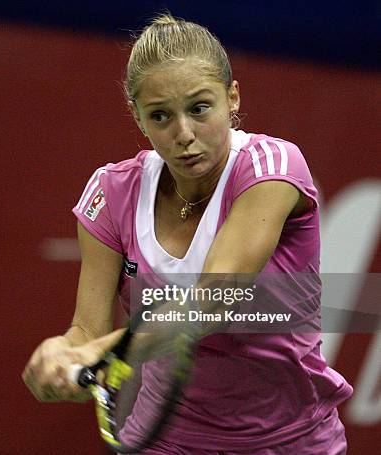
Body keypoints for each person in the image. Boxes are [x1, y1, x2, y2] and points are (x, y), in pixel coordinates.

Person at [22, 13, 352, 454]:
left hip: (291, 440)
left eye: (199, 108)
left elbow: (212, 299)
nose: (183, 135)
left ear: (232, 98)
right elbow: (88, 330)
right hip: (166, 441)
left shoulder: (273, 168)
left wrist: (100, 352)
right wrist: (63, 359)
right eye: (160, 116)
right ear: (137, 117)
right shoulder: (111, 193)